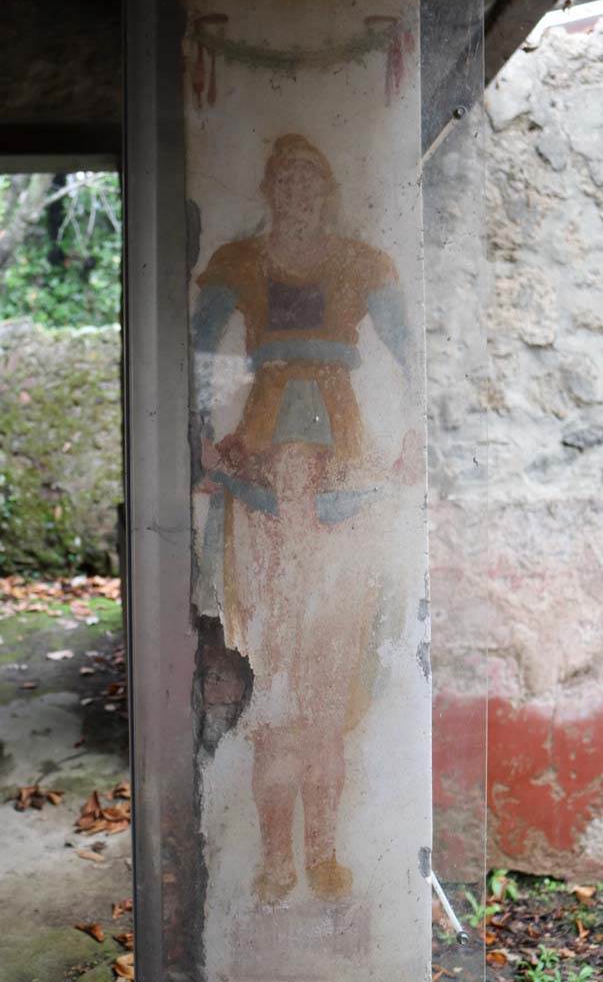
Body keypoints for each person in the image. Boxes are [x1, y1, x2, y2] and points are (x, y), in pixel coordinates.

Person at [193, 133, 421, 903]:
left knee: (326, 694)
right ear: (267, 190)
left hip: (340, 481)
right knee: (274, 695)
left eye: (308, 180)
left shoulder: (360, 263)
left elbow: (408, 350)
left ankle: (320, 851)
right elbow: (196, 352)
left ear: (325, 191)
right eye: (282, 180)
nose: (296, 192)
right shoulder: (239, 260)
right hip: (258, 477)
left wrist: (418, 433)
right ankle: (273, 859)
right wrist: (200, 440)